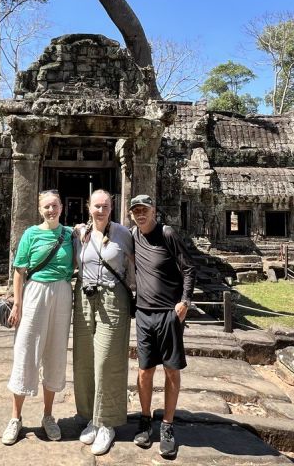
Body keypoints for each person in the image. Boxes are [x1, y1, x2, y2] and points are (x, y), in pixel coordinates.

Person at [2, 190, 74, 446]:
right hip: (35, 293)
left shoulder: (70, 235)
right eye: (46, 207)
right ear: (39, 209)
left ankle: (48, 416)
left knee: (55, 354)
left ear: (62, 207)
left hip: (63, 292)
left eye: (54, 205)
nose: (51, 210)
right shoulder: (30, 234)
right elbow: (19, 271)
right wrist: (17, 304)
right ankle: (15, 417)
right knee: (25, 351)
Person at [128, 194, 196, 459]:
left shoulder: (166, 233)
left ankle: (167, 425)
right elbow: (106, 230)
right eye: (136, 211)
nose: (140, 214)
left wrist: (185, 302)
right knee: (144, 370)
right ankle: (145, 420)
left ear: (154, 210)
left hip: (169, 313)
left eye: (144, 209)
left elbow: (189, 268)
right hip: (143, 313)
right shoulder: (132, 235)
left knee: (171, 370)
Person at [72, 189, 135, 456]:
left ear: (112, 208)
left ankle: (107, 422)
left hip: (113, 298)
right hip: (85, 297)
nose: (101, 210)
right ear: (88, 207)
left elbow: (138, 263)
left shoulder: (124, 233)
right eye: (96, 206)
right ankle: (91, 417)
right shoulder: (78, 234)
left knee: (107, 360)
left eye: (105, 206)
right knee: (85, 359)